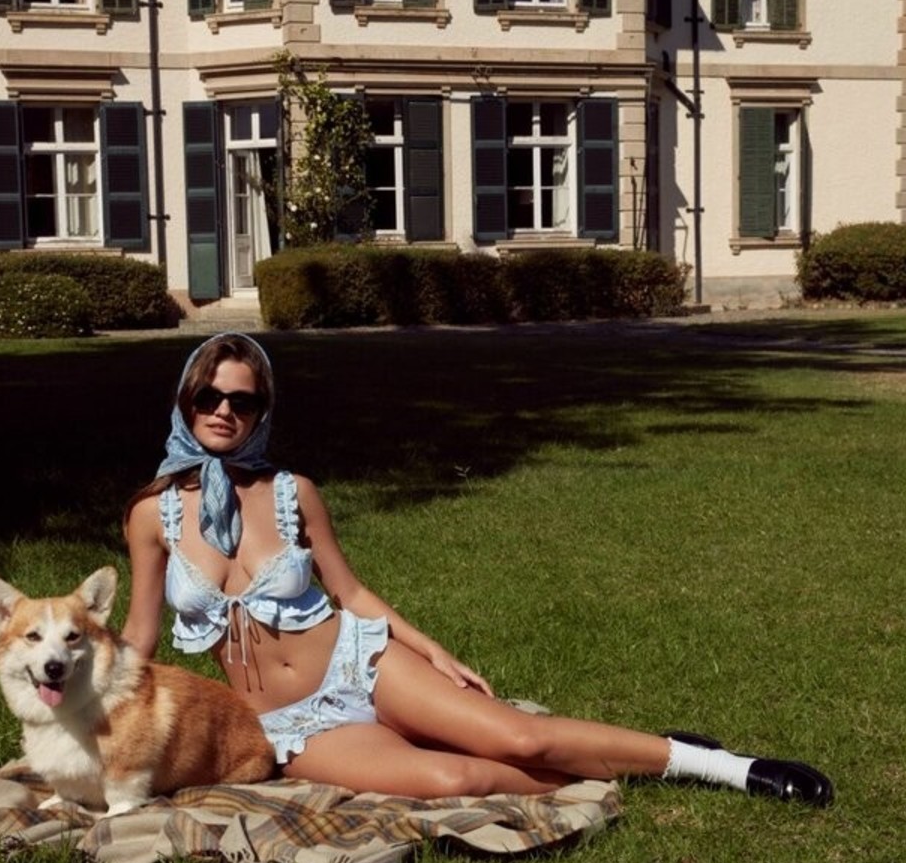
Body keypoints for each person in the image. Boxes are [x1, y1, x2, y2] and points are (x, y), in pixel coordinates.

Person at [123, 334, 833, 806]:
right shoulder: (154, 515)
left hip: (358, 662)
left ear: (261, 412)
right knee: (451, 777)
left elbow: (352, 592)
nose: (223, 412)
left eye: (242, 401)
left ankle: (722, 766)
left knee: (520, 737)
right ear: (186, 401)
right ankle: (632, 764)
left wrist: (432, 652)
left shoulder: (291, 491)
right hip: (285, 723)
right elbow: (140, 638)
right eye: (208, 397)